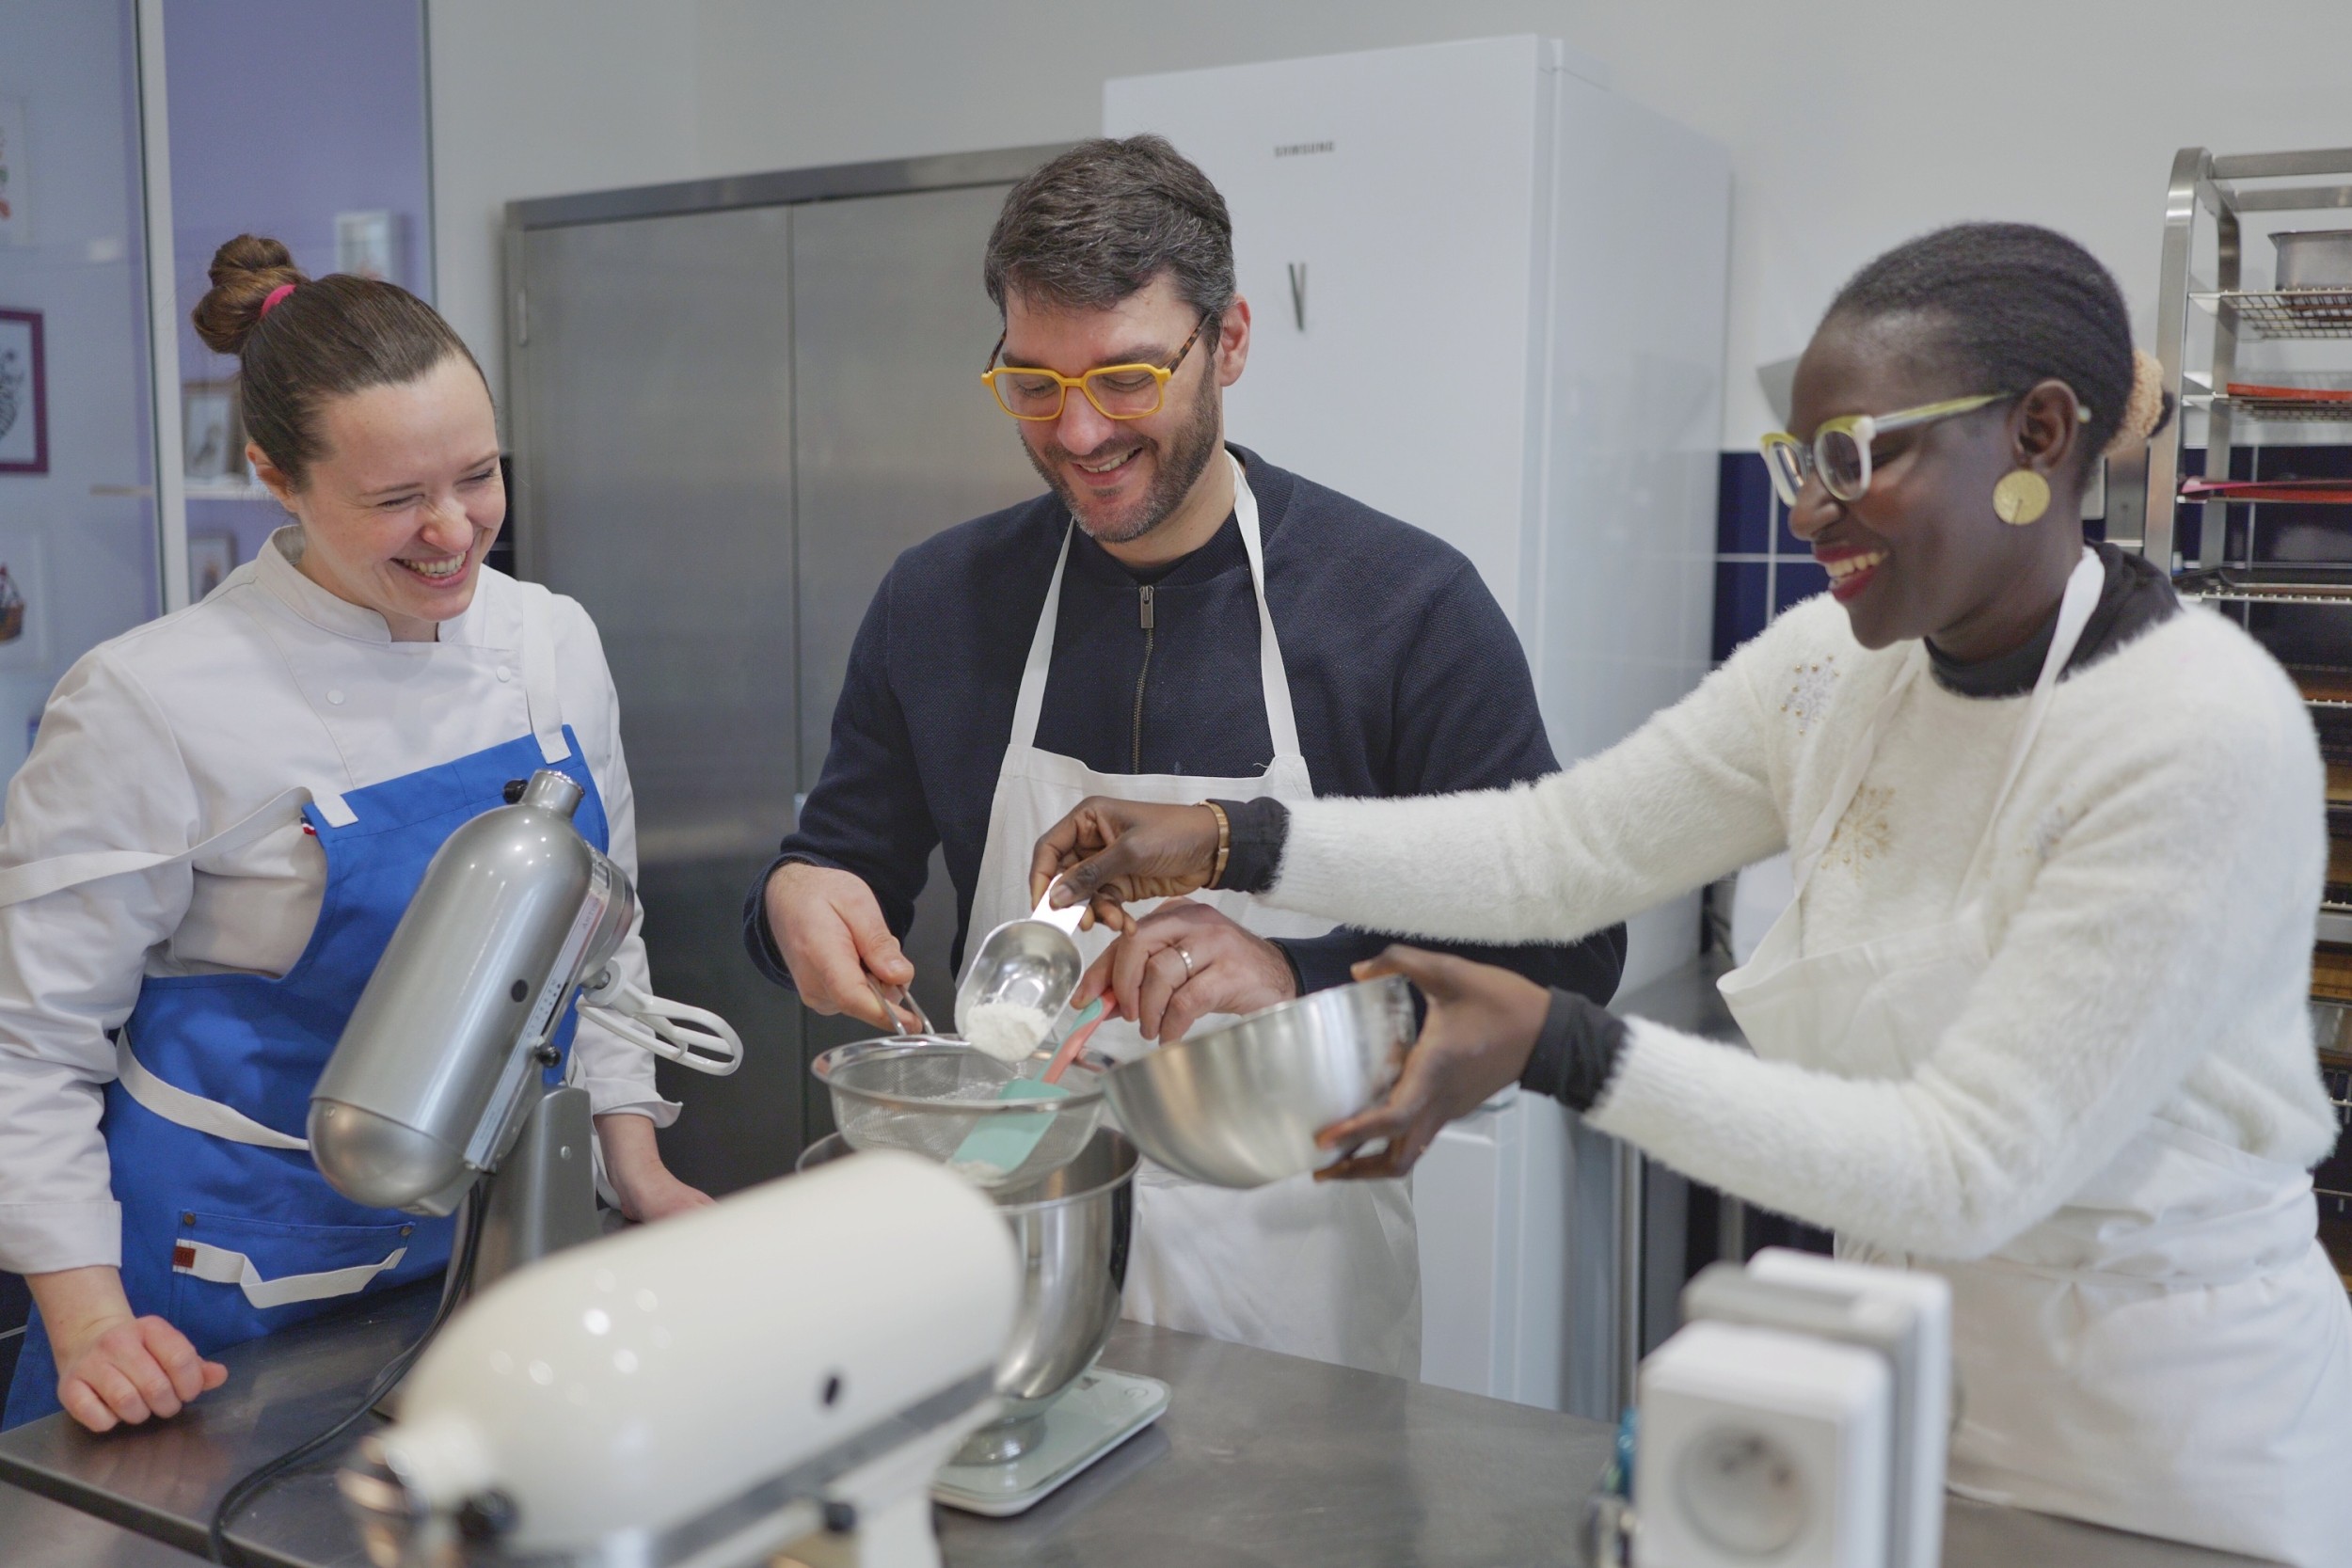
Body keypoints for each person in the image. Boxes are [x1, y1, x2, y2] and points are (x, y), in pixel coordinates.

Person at [1034, 222, 2352, 1564]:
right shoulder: (1834, 672)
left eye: (1852, 460)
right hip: (1897, 1368)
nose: (1804, 514)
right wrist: (1232, 836)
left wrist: (1560, 1044)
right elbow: (1558, 848)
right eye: (1797, 460)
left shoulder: (2193, 733)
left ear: (2039, 436)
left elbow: (1967, 1170)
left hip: (2163, 1434)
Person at [746, 136, 1623, 1379]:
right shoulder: (939, 602)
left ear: (1234, 340)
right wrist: (792, 898)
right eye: (1033, 384)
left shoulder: (1402, 610)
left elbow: (1572, 953)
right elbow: (839, 865)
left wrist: (1299, 976)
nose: (1080, 432)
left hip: (1293, 1312)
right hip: (1006, 1280)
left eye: (1127, 376)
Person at [0, 236, 708, 1433]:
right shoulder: (150, 702)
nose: (453, 532)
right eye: (394, 500)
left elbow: (600, 940)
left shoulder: (549, 642)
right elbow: (27, 1044)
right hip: (215, 1294)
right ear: (276, 476)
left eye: (479, 476)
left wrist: (629, 1162)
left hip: (482, 1254)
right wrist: (90, 1321)